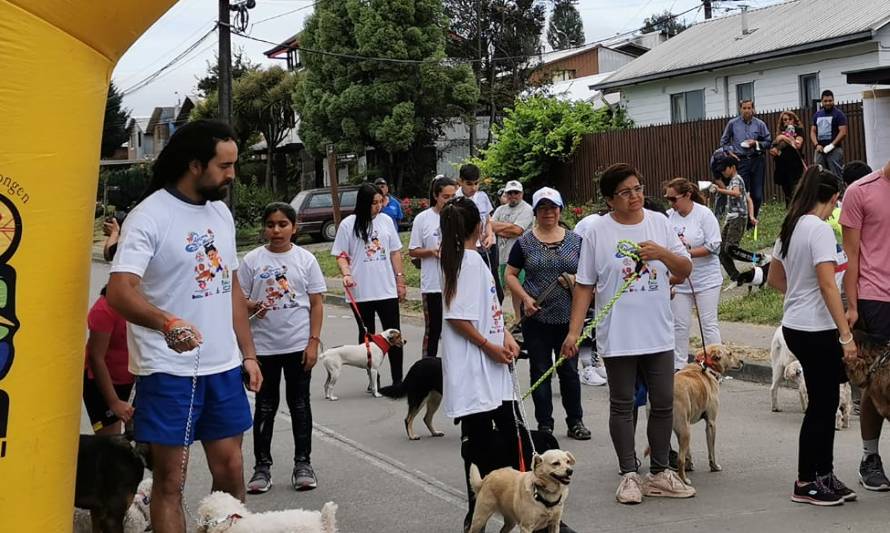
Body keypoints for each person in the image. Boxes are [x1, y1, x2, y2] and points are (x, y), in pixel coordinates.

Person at [106, 119, 262, 533]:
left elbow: (230, 290)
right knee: (171, 482)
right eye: (224, 166)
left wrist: (248, 354)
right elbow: (120, 290)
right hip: (168, 371)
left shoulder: (221, 214)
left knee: (231, 472)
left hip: (223, 367)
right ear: (195, 165)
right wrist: (166, 322)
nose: (232, 175)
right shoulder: (150, 215)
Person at [561, 163, 694, 505]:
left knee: (663, 402)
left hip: (658, 332)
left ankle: (660, 472)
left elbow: (684, 267)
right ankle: (628, 474)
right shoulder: (597, 232)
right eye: (625, 192)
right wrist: (574, 333)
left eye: (637, 188)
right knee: (622, 405)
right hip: (618, 334)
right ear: (609, 200)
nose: (635, 196)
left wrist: (661, 253)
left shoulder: (659, 222)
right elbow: (585, 286)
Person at [766, 167, 858, 506]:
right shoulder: (818, 230)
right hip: (816, 328)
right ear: (833, 199)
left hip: (795, 323)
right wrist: (846, 335)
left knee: (826, 401)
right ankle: (807, 480)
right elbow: (827, 284)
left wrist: (798, 296)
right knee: (822, 405)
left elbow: (776, 280)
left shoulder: (790, 227)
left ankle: (824, 474)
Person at [239, 202, 326, 494]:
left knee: (300, 405)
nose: (276, 230)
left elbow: (316, 304)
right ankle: (261, 468)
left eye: (283, 224)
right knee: (264, 408)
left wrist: (313, 343)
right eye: (271, 224)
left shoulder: (305, 260)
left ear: (294, 227)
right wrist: (252, 305)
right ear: (264, 227)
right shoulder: (251, 261)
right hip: (263, 350)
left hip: (298, 347)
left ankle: (303, 463)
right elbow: (238, 304)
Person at [505, 187, 589, 440]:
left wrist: (574, 280)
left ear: (560, 209)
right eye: (542, 208)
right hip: (537, 318)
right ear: (535, 212)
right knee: (540, 371)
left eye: (552, 208)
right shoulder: (525, 242)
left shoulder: (576, 241)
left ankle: (576, 421)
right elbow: (509, 274)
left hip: (569, 318)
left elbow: (589, 276)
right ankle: (545, 424)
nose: (548, 213)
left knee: (569, 371)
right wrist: (525, 298)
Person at [841, 159, 890, 492]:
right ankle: (869, 458)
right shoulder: (861, 192)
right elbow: (852, 255)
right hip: (876, 298)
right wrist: (853, 306)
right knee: (876, 385)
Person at [332, 182, 407, 385]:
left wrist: (400, 279)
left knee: (394, 333)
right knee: (367, 336)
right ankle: (374, 379)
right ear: (364, 203)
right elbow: (340, 254)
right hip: (360, 291)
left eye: (380, 202)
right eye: (374, 203)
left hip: (386, 289)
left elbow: (395, 252)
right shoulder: (349, 224)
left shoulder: (386, 221)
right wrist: (346, 273)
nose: (378, 206)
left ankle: (398, 380)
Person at [664, 178, 723, 370]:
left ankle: (714, 366)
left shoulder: (704, 214)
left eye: (674, 199)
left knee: (708, 325)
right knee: (679, 325)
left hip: (706, 279)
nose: (671, 204)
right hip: (680, 280)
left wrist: (686, 253)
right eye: (668, 199)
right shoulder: (668, 217)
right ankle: (678, 366)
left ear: (688, 195)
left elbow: (714, 245)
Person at [409, 176, 457, 357]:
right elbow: (413, 250)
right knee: (434, 328)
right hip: (433, 284)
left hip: (455, 282)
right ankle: (428, 365)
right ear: (436, 196)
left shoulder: (459, 216)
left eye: (453, 196)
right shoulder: (423, 219)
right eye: (446, 197)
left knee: (455, 328)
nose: (450, 200)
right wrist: (431, 252)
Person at [83, 284, 134, 436]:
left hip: (130, 378)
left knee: (138, 435)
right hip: (101, 382)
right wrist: (113, 402)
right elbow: (95, 357)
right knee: (110, 442)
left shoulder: (138, 307)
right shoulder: (103, 310)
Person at [454, 164, 501, 302]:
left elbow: (487, 221)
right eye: (469, 184)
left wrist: (490, 235)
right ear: (460, 181)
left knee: (493, 283)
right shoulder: (455, 200)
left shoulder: (482, 197)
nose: (473, 188)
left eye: (476, 183)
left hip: (486, 246)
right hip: (467, 247)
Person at [720, 99, 772, 218]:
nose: (747, 111)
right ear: (740, 109)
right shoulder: (733, 124)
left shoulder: (760, 124)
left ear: (753, 109)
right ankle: (743, 218)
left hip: (757, 159)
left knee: (757, 194)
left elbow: (768, 142)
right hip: (741, 160)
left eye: (749, 108)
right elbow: (724, 141)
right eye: (744, 108)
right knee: (743, 192)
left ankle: (752, 220)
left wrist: (756, 143)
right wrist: (730, 152)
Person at [491, 180, 534, 320]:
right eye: (510, 193)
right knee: (510, 290)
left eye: (516, 192)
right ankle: (518, 319)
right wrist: (508, 228)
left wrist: (499, 229)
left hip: (522, 257)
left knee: (521, 289)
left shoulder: (527, 209)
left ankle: (524, 319)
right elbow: (489, 226)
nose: (513, 195)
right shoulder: (500, 209)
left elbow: (517, 230)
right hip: (504, 256)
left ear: (521, 193)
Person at [714, 156, 758, 283]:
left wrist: (719, 190)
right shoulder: (734, 181)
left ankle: (758, 258)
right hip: (731, 218)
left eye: (724, 169)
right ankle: (736, 277)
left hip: (738, 218)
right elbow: (748, 199)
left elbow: (737, 193)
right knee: (722, 251)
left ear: (732, 167)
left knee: (731, 248)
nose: (723, 172)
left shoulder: (737, 180)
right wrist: (752, 216)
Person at [770, 111, 806, 206]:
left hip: (795, 164)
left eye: (790, 119)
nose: (788, 121)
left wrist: (784, 137)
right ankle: (788, 209)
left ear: (794, 120)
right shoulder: (780, 133)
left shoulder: (799, 131)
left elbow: (797, 145)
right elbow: (775, 145)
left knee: (796, 190)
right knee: (787, 191)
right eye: (785, 120)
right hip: (782, 165)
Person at [811, 90, 848, 181]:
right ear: (822, 101)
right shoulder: (817, 115)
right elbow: (812, 131)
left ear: (833, 100)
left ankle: (840, 193)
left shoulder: (839, 114)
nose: (828, 103)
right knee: (819, 173)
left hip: (834, 150)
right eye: (826, 101)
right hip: (820, 150)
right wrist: (816, 144)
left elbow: (843, 132)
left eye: (830, 100)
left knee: (836, 174)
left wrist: (832, 145)